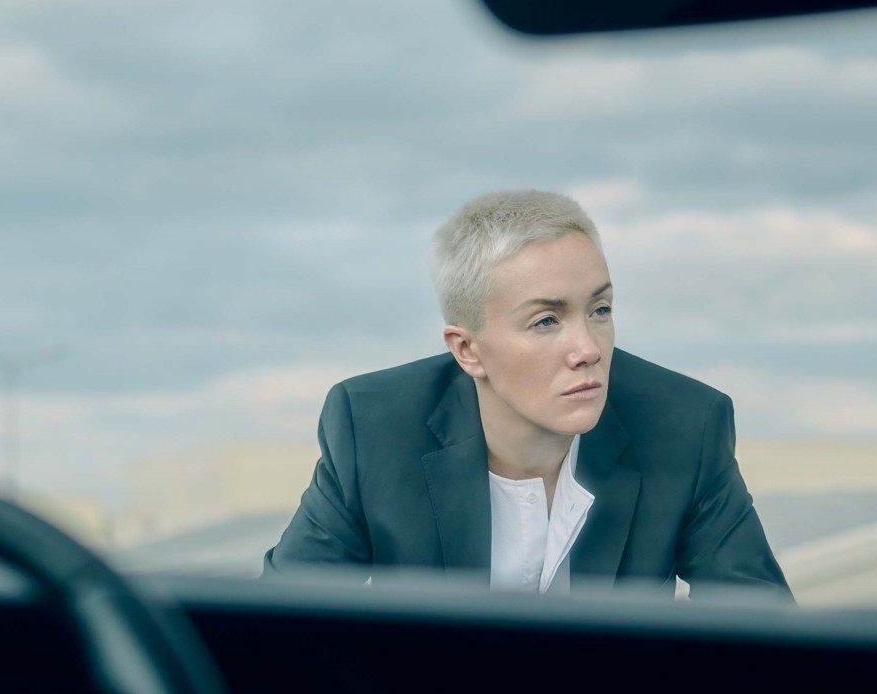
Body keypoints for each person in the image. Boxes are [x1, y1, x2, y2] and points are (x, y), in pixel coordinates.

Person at [264, 189, 790, 599]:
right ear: (467, 350)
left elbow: (760, 636)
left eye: (600, 310)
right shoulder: (373, 427)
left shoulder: (686, 425)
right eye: (546, 321)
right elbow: (278, 630)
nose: (588, 349)